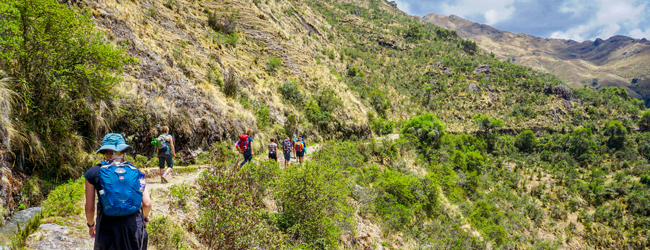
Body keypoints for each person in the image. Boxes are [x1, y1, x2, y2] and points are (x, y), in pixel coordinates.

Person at [85, 133, 151, 250]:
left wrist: (91, 225)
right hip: (134, 227)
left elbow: (89, 208)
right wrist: (145, 218)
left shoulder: (93, 172)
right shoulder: (136, 171)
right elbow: (147, 204)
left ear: (105, 152)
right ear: (123, 151)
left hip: (107, 228)